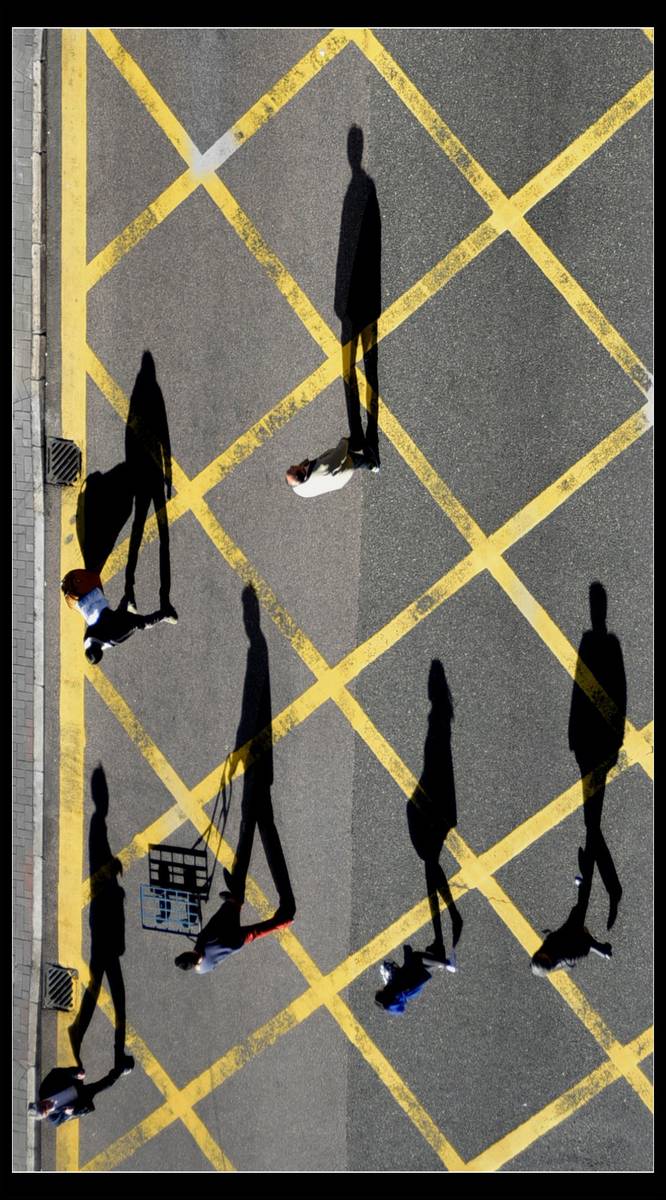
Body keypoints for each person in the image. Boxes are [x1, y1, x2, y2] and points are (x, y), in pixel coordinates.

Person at [61, 567, 177, 664]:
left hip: (108, 618)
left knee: (124, 611)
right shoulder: (109, 638)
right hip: (117, 624)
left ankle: (130, 601)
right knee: (140, 622)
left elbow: (108, 619)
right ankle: (166, 614)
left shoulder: (90, 639)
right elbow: (128, 625)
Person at [174, 890, 294, 974]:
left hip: (235, 944)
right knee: (222, 919)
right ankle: (233, 902)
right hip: (229, 933)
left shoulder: (202, 970)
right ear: (188, 953)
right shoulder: (202, 942)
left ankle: (284, 922)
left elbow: (212, 963)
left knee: (257, 932)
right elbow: (214, 924)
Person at [28, 1062, 132, 1126]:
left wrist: (75, 1073)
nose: (47, 1106)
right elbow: (71, 1116)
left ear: (39, 1101)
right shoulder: (54, 1118)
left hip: (74, 1082)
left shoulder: (44, 1089)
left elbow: (56, 1073)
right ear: (45, 1115)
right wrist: (71, 1112)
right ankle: (120, 1070)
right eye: (45, 1111)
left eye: (42, 1105)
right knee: (104, 1084)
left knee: (82, 1064)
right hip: (81, 1097)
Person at [285, 434, 378, 498]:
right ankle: (374, 465)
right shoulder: (322, 468)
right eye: (291, 469)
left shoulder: (298, 489)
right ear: (301, 471)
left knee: (346, 451)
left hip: (334, 481)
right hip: (344, 470)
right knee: (356, 459)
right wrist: (345, 440)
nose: (291, 466)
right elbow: (339, 456)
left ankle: (359, 444)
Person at [375, 943, 456, 1015]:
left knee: (421, 963)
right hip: (415, 971)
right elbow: (406, 966)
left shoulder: (400, 996)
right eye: (379, 991)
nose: (379, 989)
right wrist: (407, 948)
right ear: (384, 993)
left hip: (419, 976)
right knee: (416, 957)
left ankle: (439, 961)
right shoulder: (395, 985)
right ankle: (446, 964)